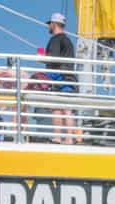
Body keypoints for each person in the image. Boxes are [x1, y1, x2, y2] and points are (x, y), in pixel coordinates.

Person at [42, 12, 77, 144]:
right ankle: (69, 139)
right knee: (66, 108)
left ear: (54, 24)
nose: (48, 27)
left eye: (49, 24)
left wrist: (41, 58)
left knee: (57, 108)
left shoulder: (56, 39)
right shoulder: (67, 41)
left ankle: (57, 138)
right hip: (69, 76)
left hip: (58, 77)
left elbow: (53, 58)